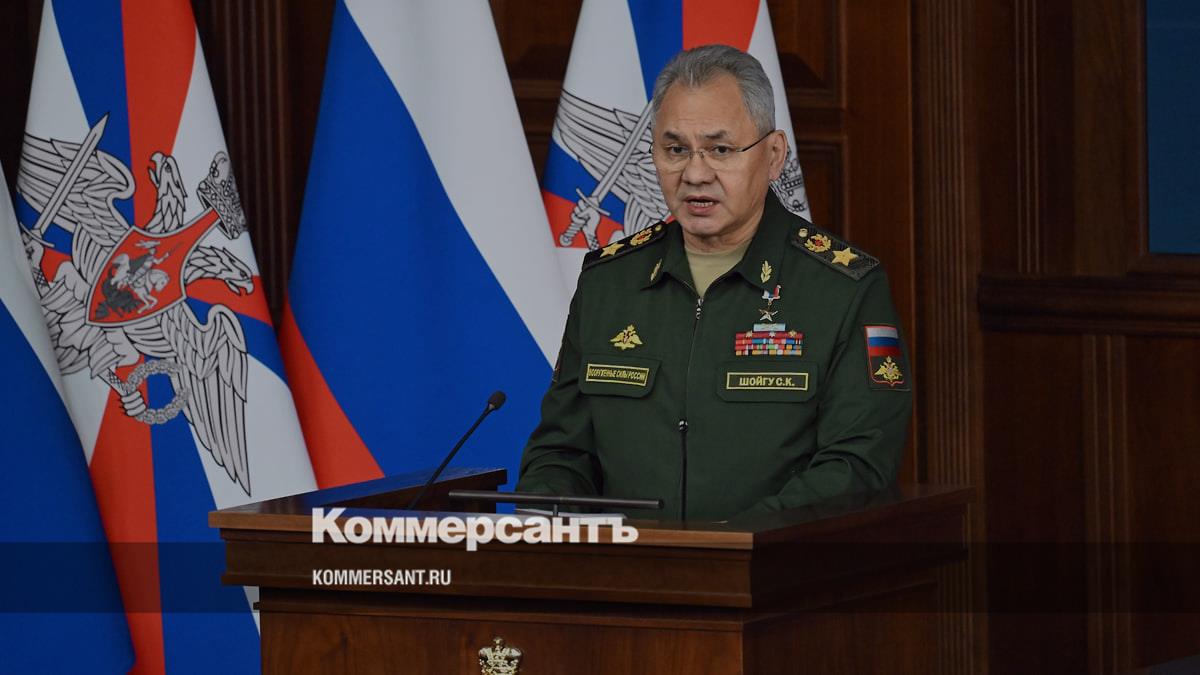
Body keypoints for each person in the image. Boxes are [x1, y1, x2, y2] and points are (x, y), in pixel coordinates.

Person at [516, 45, 912, 522]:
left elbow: (857, 467)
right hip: (626, 564)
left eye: (720, 150)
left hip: (774, 564)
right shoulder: (609, 283)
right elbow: (561, 453)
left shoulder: (843, 289)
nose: (695, 174)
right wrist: (547, 519)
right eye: (675, 150)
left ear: (773, 155)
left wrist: (729, 547)